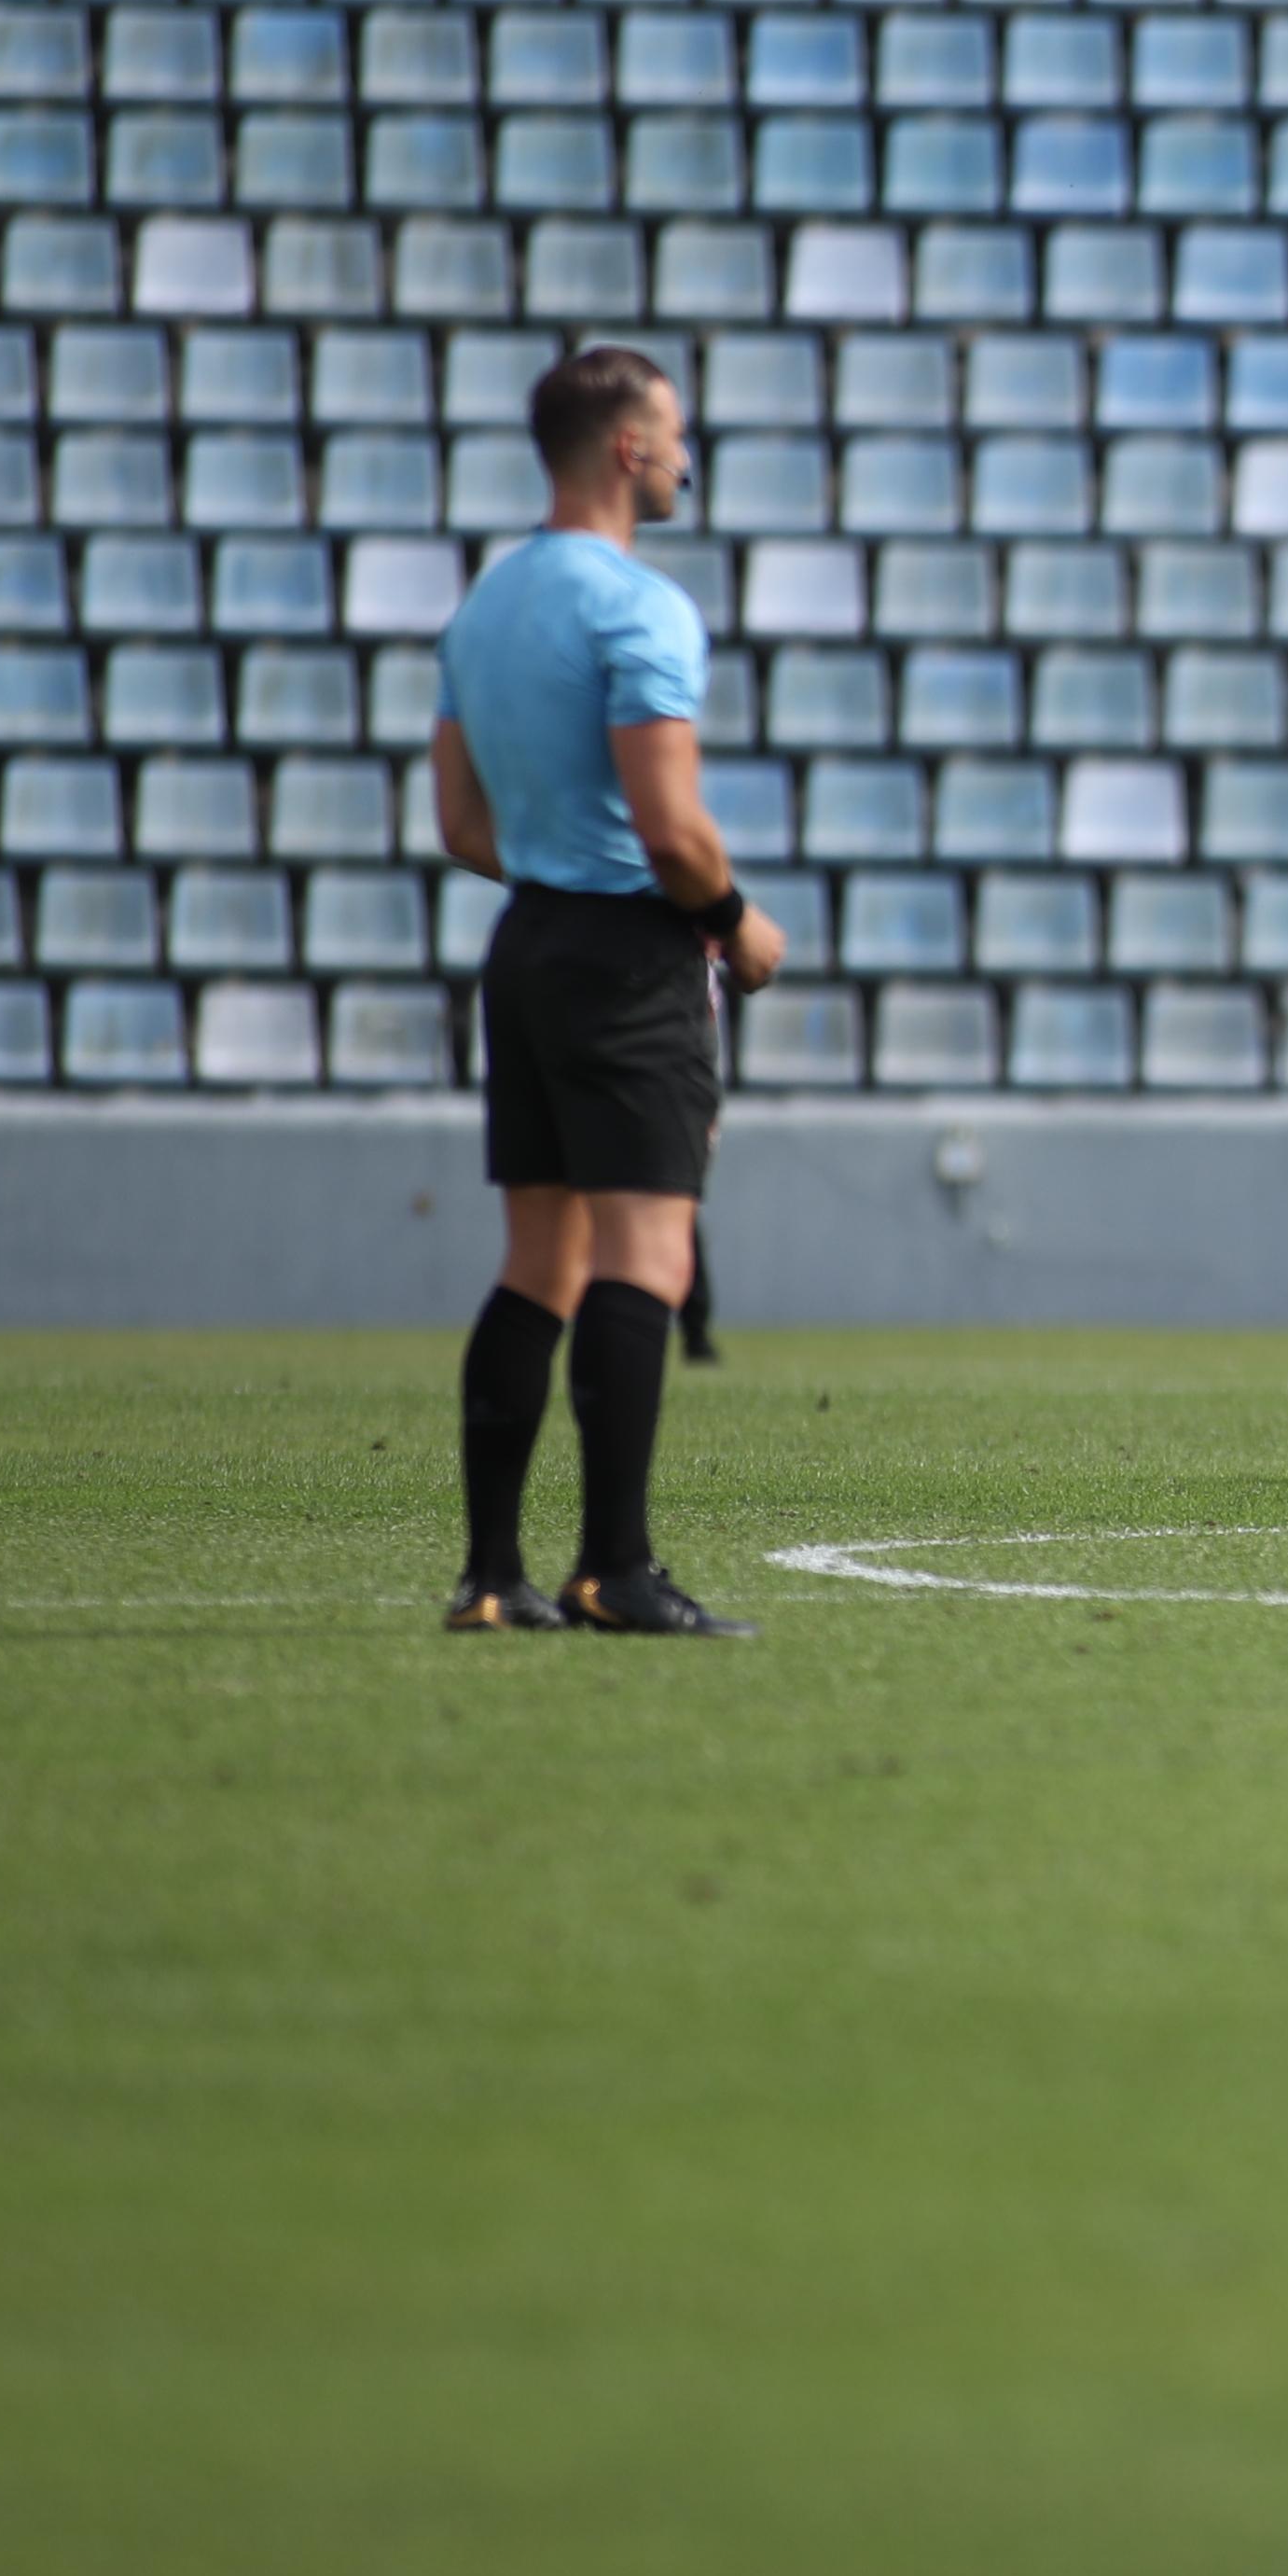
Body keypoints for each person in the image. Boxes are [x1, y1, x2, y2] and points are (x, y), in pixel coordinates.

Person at [424, 343, 789, 1635]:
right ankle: (614, 1567)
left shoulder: (486, 606)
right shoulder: (639, 608)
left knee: (537, 1264)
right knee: (648, 1252)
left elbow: (462, 823)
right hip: (628, 956)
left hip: (524, 948)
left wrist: (558, 871)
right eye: (676, 432)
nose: (687, 454)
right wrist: (740, 931)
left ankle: (486, 1576)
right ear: (630, 449)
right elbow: (673, 827)